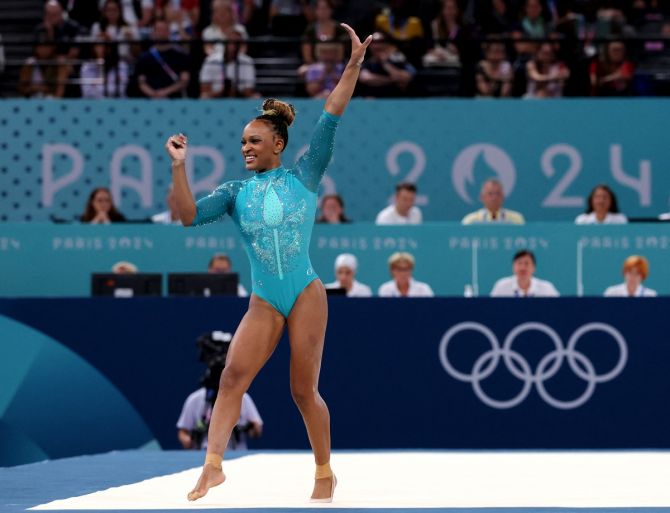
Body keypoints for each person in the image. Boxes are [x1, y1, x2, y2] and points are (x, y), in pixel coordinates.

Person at [165, 22, 372, 503]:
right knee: (231, 377)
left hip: (304, 291)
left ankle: (324, 472)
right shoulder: (235, 193)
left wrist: (354, 65)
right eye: (242, 143)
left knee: (303, 392)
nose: (246, 148)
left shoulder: (305, 173)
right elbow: (188, 216)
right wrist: (178, 168)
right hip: (264, 298)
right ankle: (212, 466)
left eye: (254, 142)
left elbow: (332, 113)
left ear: (277, 144)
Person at [177, 331, 263, 451]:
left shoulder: (242, 398)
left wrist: (249, 428)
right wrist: (189, 440)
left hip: (236, 455)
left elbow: (257, 430)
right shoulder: (195, 399)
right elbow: (183, 431)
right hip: (202, 456)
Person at [134, 19, 190, 99]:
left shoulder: (180, 55)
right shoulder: (145, 57)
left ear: (169, 32)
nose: (162, 33)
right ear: (153, 33)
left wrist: (165, 92)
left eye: (165, 30)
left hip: (174, 100)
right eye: (159, 30)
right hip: (150, 100)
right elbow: (141, 81)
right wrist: (154, 94)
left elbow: (184, 80)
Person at [199, 27, 259, 98]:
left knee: (255, 97)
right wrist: (222, 91)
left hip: (240, 97)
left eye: (236, 43)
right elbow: (204, 89)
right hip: (215, 98)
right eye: (230, 42)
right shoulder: (211, 61)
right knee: (204, 96)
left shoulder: (247, 62)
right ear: (225, 43)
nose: (233, 46)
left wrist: (234, 90)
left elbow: (249, 90)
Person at [490, 250, 559, 297]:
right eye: (519, 263)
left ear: (534, 267)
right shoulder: (501, 286)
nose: (522, 268)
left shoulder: (547, 288)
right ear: (513, 266)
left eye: (527, 264)